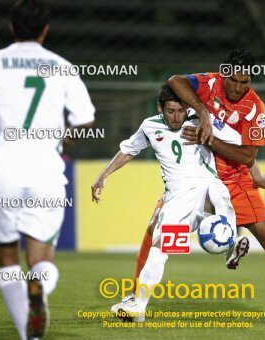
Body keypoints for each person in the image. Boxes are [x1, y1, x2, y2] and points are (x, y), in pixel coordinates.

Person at [113, 49, 265, 320]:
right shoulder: (209, 83)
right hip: (194, 179)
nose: (238, 87)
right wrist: (203, 113)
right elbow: (174, 81)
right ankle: (136, 296)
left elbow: (248, 155)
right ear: (225, 73)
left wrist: (209, 138)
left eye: (245, 82)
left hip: (234, 180)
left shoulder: (255, 108)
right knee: (155, 229)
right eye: (234, 80)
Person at [0, 0, 96, 338]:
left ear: (11, 27)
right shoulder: (62, 67)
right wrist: (64, 139)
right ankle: (39, 291)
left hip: (2, 170)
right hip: (46, 171)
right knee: (42, 258)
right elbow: (85, 119)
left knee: (7, 258)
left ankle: (28, 332)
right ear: (45, 30)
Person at [92, 84, 254, 321]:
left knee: (220, 194)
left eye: (181, 110)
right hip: (178, 199)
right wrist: (103, 175)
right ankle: (139, 307)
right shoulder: (149, 126)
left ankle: (229, 242)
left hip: (206, 186)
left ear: (187, 106)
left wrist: (210, 134)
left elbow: (239, 141)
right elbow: (128, 150)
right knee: (160, 247)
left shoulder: (201, 120)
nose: (177, 117)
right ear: (160, 108)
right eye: (170, 111)